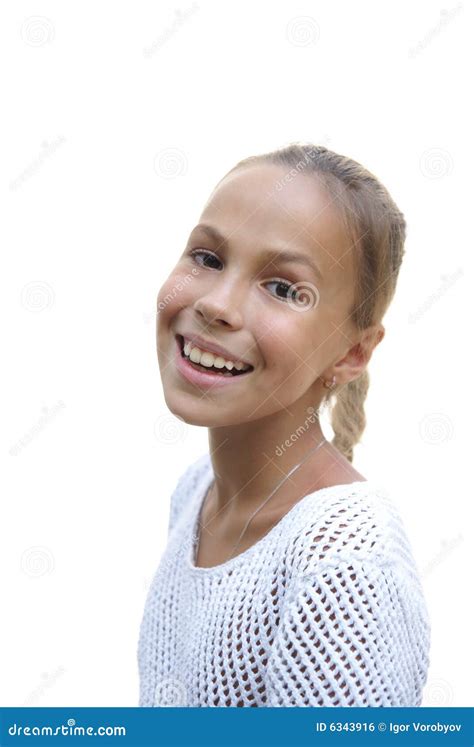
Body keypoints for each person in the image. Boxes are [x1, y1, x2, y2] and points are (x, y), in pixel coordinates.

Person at [137, 142, 431, 707]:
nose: (218, 304)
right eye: (208, 257)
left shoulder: (343, 562)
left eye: (282, 289)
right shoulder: (196, 492)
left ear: (352, 352)